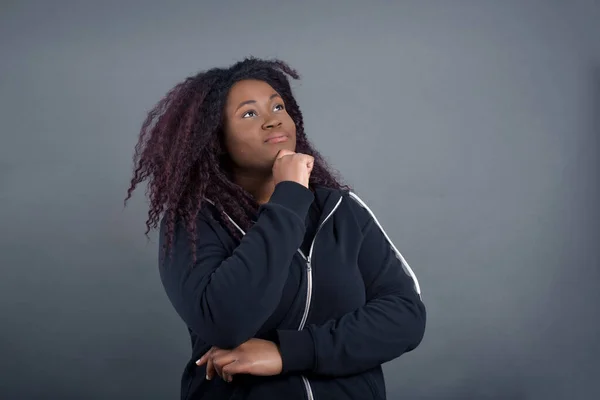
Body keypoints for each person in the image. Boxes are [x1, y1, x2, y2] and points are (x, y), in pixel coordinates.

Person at [125, 57, 426, 400]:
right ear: (216, 140)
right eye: (249, 114)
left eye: (278, 106)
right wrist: (290, 198)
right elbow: (226, 322)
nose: (273, 120)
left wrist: (287, 354)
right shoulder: (194, 222)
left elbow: (406, 316)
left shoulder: (343, 212)